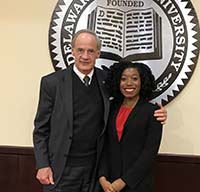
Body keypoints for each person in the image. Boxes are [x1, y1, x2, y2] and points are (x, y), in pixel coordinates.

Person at [33, 29, 166, 192]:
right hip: (61, 169)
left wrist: (158, 112)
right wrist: (43, 164)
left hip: (96, 171)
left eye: (90, 51)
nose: (85, 56)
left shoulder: (107, 81)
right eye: (80, 50)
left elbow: (130, 102)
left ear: (98, 53)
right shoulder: (51, 83)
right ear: (72, 51)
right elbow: (41, 130)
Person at [99, 61, 163, 192]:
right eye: (123, 79)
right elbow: (104, 145)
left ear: (142, 82)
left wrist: (123, 181)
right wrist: (102, 177)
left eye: (134, 78)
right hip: (108, 184)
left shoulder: (152, 112)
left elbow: (149, 153)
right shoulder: (110, 108)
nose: (128, 83)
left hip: (137, 184)